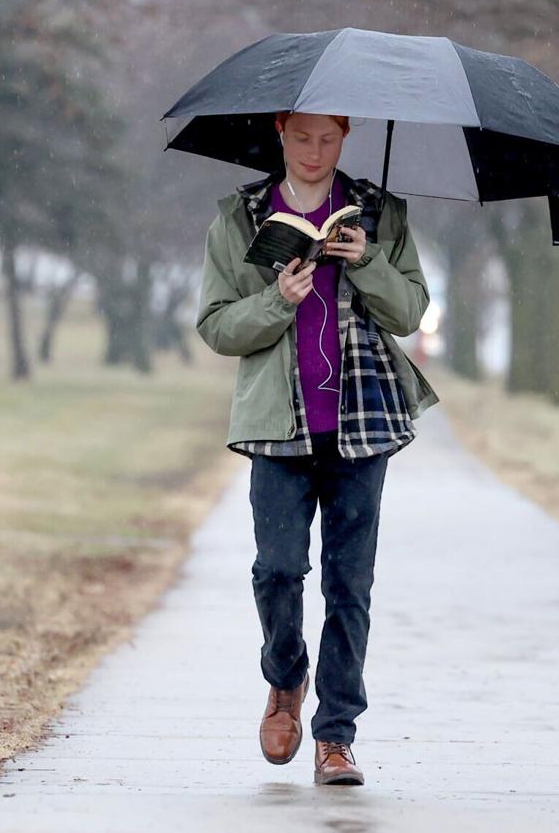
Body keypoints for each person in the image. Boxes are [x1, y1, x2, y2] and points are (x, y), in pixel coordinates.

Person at [195, 110, 438, 786]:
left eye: (327, 138)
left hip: (363, 422)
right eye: (301, 137)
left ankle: (336, 735)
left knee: (348, 585)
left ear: (346, 136)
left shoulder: (378, 214)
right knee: (277, 569)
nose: (313, 151)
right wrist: (276, 300)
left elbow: (411, 310)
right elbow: (215, 325)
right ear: (280, 132)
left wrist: (369, 262)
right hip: (278, 425)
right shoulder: (240, 219)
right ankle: (284, 679)